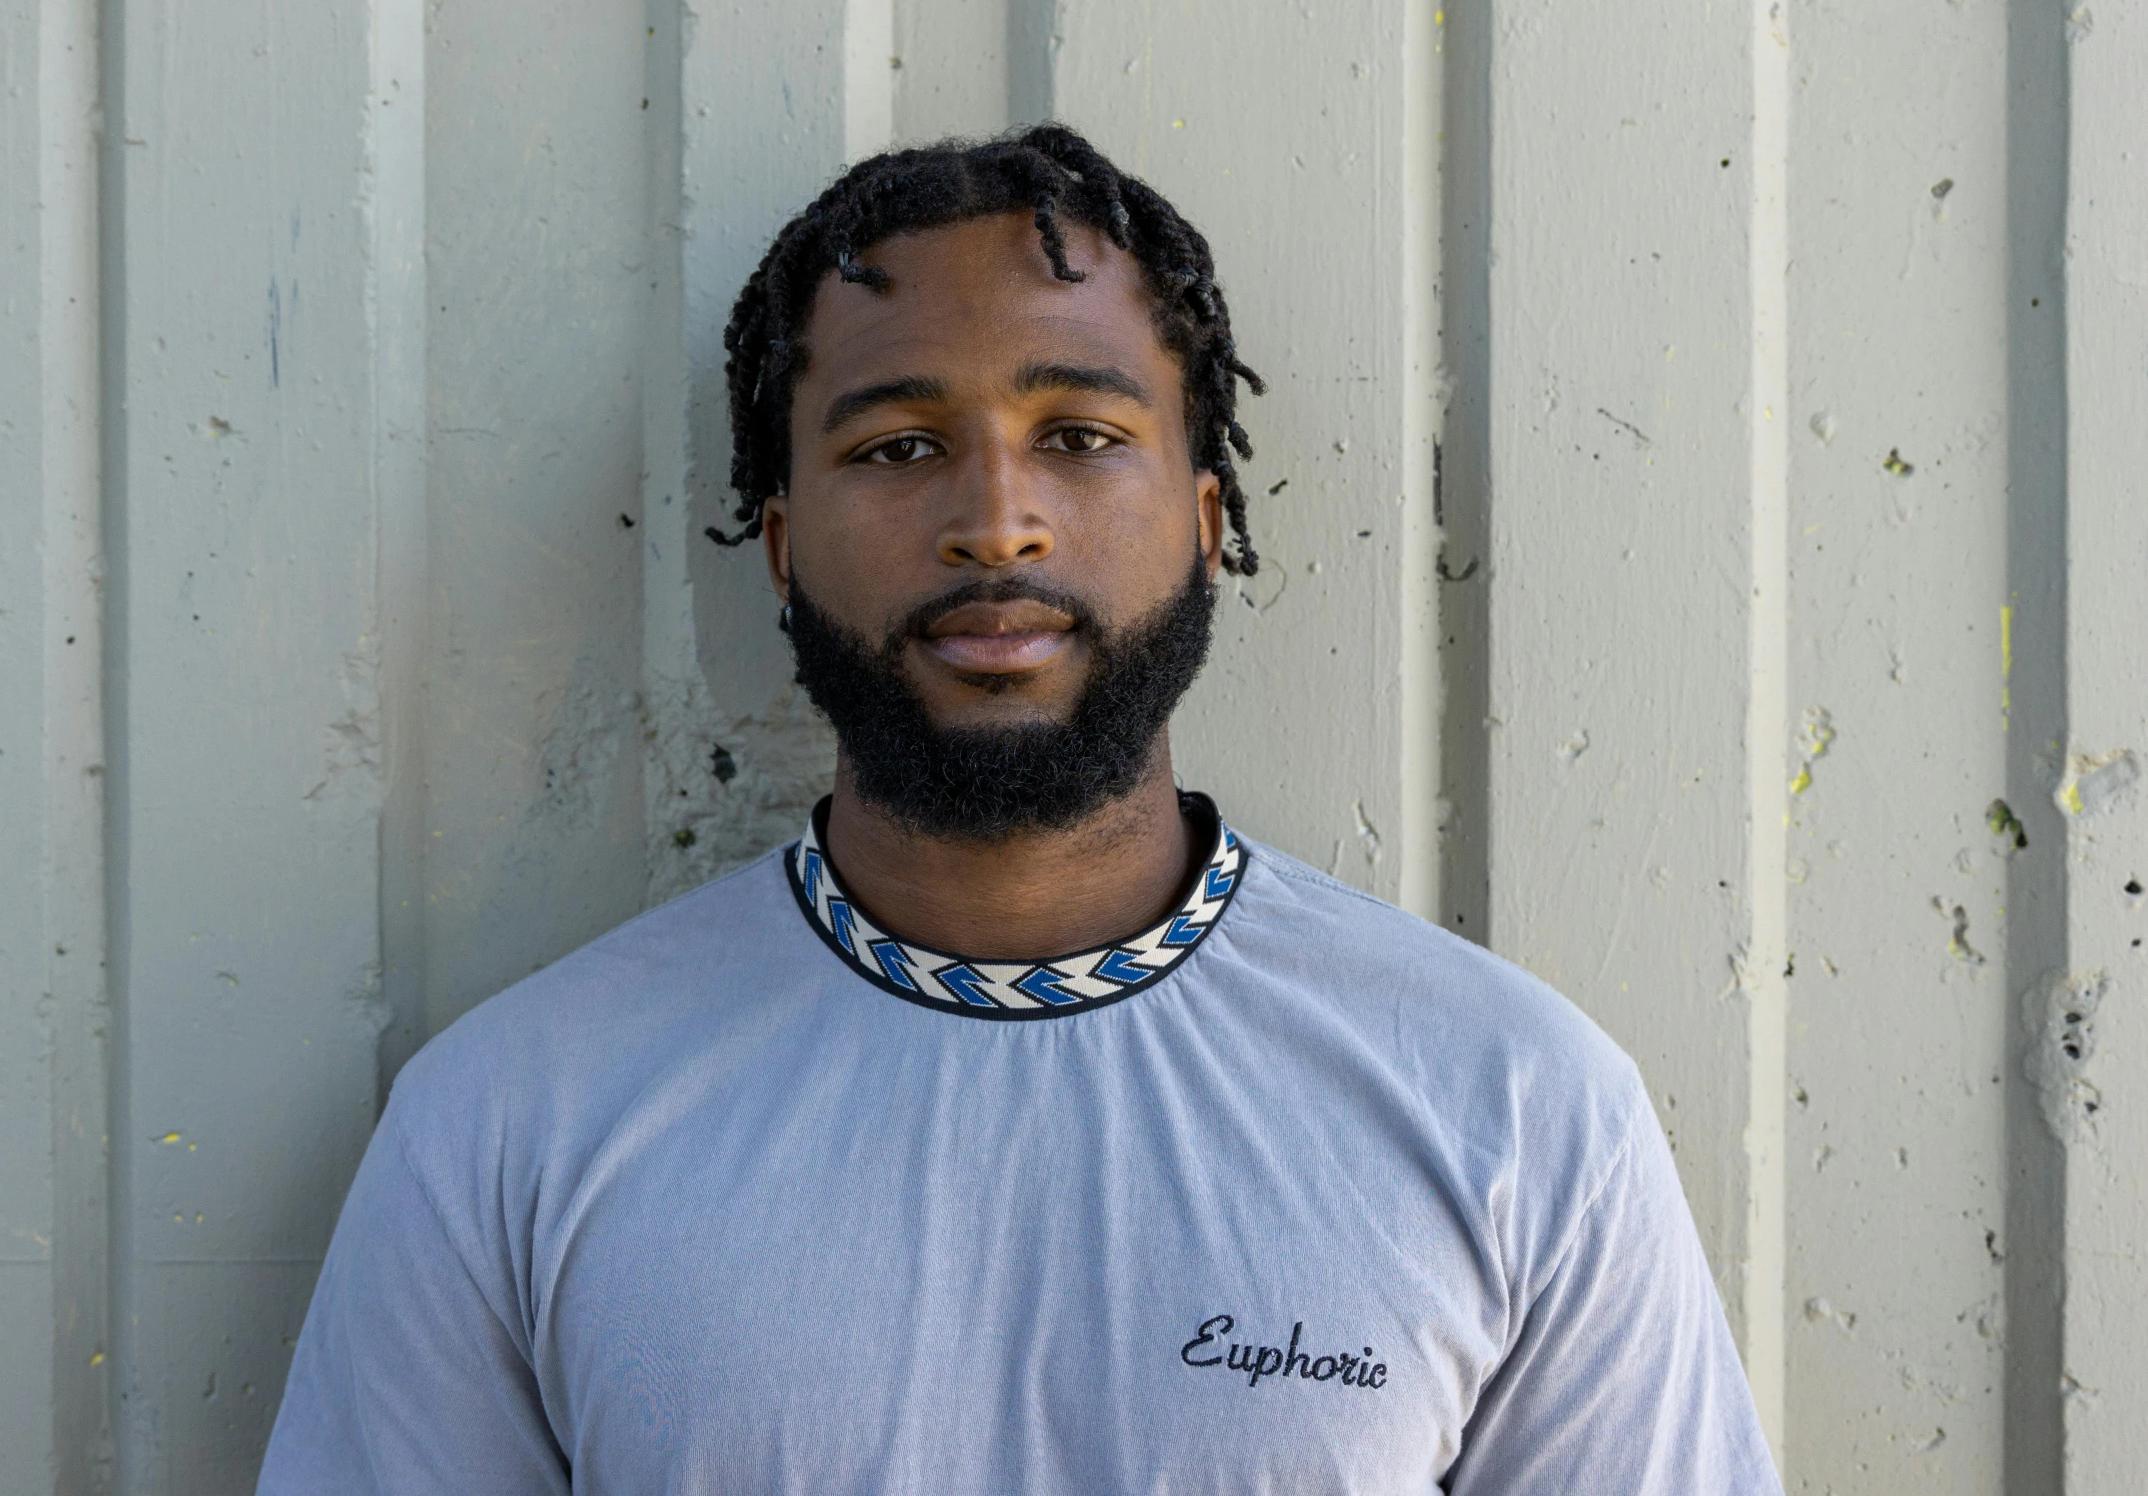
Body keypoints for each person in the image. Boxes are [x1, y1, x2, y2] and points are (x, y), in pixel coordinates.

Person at [257, 124, 1781, 1494]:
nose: (994, 518)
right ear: (781, 544)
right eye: (897, 446)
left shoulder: (1510, 1105)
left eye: (1078, 433)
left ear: (1203, 518)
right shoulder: (515, 1123)